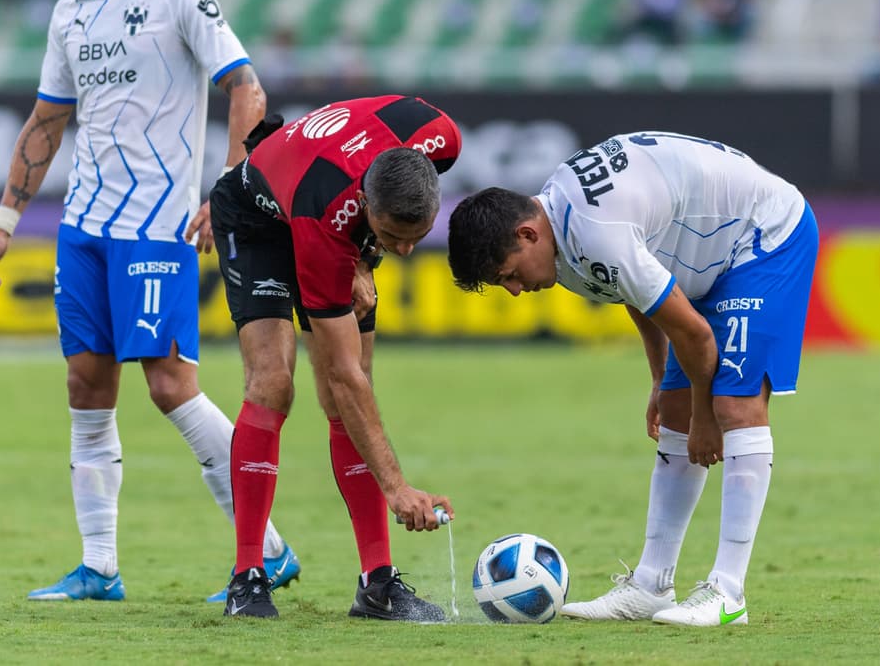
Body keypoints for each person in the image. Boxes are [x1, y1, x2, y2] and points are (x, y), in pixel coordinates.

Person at [0, 0, 298, 603]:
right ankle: (100, 567)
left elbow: (247, 88)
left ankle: (269, 549)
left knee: (170, 384)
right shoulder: (71, 11)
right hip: (84, 225)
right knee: (87, 383)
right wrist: (4, 219)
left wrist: (229, 186)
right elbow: (47, 121)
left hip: (158, 225)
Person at [447, 131, 818, 628]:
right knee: (676, 410)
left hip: (763, 235)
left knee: (732, 406)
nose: (514, 291)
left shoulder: (596, 230)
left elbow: (697, 336)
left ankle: (729, 594)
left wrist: (706, 418)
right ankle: (651, 585)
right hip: (705, 253)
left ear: (527, 235)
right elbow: (635, 293)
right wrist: (660, 382)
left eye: (509, 274)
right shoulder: (562, 232)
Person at [208, 95, 461, 620]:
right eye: (392, 237)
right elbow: (344, 378)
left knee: (348, 392)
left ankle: (377, 585)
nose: (406, 251)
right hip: (259, 223)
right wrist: (397, 488)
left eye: (416, 238)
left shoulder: (440, 138)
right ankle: (247, 577)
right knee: (277, 384)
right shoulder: (325, 219)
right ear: (369, 208)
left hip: (322, 197)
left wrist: (369, 254)